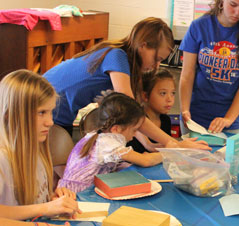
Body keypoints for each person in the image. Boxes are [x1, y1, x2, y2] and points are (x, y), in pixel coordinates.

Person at [43, 17, 205, 149]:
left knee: (58, 172)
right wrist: (174, 143)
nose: (156, 66)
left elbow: (131, 116)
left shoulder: (125, 64)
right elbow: (132, 113)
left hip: (59, 114)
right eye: (157, 59)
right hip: (43, 106)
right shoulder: (117, 56)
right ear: (143, 46)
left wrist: (147, 143)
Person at [0, 70, 82, 221]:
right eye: (41, 113)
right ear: (11, 115)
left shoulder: (37, 152)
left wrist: (53, 199)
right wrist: (44, 208)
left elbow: (30, 204)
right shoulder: (3, 159)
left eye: (50, 112)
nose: (50, 122)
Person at [179, 0, 239, 133]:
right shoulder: (199, 26)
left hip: (230, 120)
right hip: (195, 116)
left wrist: (228, 119)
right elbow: (187, 75)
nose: (237, 13)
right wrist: (185, 109)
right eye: (233, 5)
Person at [58, 93, 163, 193]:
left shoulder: (98, 134)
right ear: (116, 129)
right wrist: (167, 153)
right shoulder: (108, 144)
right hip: (79, 194)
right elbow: (146, 161)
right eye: (134, 130)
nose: (135, 135)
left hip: (74, 191)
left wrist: (138, 158)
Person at [127, 69, 177, 153]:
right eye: (163, 93)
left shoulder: (166, 120)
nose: (170, 99)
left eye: (172, 93)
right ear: (145, 96)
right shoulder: (135, 121)